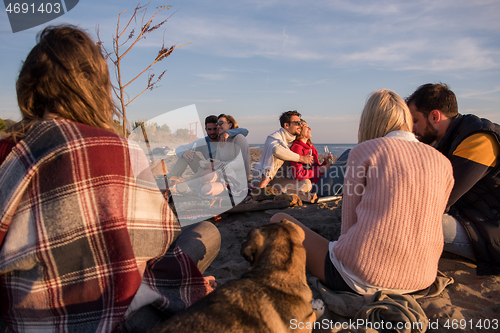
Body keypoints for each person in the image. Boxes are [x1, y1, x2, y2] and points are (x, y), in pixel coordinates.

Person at [0, 25, 220, 332]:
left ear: (28, 86)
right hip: (107, 318)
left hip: (23, 318)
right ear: (97, 88)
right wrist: (189, 285)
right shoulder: (121, 149)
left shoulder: (11, 149)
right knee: (207, 233)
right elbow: (154, 243)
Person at [271, 89, 454, 295]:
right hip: (422, 278)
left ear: (370, 121)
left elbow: (347, 227)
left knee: (279, 219)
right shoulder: (443, 162)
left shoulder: (365, 151)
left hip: (362, 276)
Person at [407, 83, 500, 275]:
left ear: (434, 116)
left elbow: (442, 199)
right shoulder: (446, 140)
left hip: (490, 229)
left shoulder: (479, 139)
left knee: (410, 219)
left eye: (415, 121)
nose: (412, 129)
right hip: (473, 217)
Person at [252, 110, 314, 196]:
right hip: (262, 177)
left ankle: (276, 192)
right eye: (297, 123)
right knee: (279, 155)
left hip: (281, 179)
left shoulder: (295, 141)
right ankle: (262, 189)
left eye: (300, 123)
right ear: (286, 125)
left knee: (306, 184)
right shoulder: (274, 138)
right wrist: (301, 158)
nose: (300, 125)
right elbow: (277, 150)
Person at [168, 115, 248, 178]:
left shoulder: (225, 139)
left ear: (218, 128)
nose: (212, 132)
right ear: (206, 129)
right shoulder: (203, 142)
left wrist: (228, 133)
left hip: (222, 171)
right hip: (206, 169)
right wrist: (183, 153)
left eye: (214, 129)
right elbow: (179, 148)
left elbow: (244, 131)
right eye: (209, 129)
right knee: (186, 155)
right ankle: (170, 179)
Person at [196, 114, 250, 198]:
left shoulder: (239, 138)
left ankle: (232, 190)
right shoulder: (221, 141)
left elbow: (240, 164)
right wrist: (208, 164)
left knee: (206, 189)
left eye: (221, 123)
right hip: (223, 175)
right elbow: (217, 160)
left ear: (230, 124)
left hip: (237, 179)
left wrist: (218, 164)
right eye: (217, 124)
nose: (218, 126)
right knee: (204, 176)